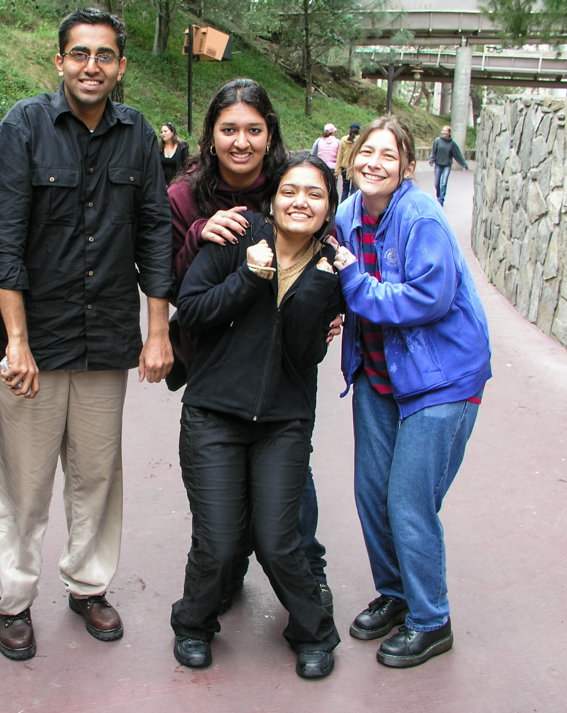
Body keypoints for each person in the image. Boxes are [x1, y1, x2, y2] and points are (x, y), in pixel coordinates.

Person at [0, 7, 173, 662]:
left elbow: (154, 232)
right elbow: (2, 240)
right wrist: (16, 340)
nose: (92, 66)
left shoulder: (138, 133)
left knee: (96, 474)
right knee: (24, 481)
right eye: (79, 54)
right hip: (29, 342)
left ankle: (88, 585)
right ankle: (13, 600)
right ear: (59, 60)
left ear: (120, 65)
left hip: (105, 337)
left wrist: (157, 331)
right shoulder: (23, 127)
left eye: (104, 56)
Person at [170, 152, 343, 677]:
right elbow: (193, 310)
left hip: (284, 421)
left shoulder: (331, 269)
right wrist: (248, 277)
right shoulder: (241, 234)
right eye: (291, 190)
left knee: (277, 539)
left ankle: (313, 631)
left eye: (315, 194)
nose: (301, 201)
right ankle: (193, 623)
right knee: (220, 542)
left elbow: (302, 356)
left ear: (329, 207)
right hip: (213, 414)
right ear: (273, 197)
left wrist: (315, 291)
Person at [333, 115, 491, 669]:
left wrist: (354, 286)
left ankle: (432, 619)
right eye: (366, 152)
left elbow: (430, 297)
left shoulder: (421, 214)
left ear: (405, 167)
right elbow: (334, 277)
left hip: (441, 377)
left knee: (408, 500)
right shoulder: (348, 213)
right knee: (372, 494)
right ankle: (397, 596)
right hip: (378, 374)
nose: (374, 162)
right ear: (352, 158)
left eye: (388, 154)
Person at [428, 125, 468, 206]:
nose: (444, 132)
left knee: (444, 183)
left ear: (449, 132)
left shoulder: (452, 143)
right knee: (436, 183)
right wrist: (431, 160)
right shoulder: (437, 141)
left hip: (447, 165)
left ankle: (441, 199)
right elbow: (433, 151)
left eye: (446, 131)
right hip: (438, 164)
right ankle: (438, 195)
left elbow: (458, 155)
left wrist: (464, 164)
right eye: (443, 131)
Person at [336, 122, 360, 202]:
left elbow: (340, 155)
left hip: (344, 167)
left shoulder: (343, 140)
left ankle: (342, 206)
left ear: (350, 129)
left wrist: (337, 169)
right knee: (354, 188)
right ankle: (352, 206)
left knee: (345, 189)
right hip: (355, 166)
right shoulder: (360, 140)